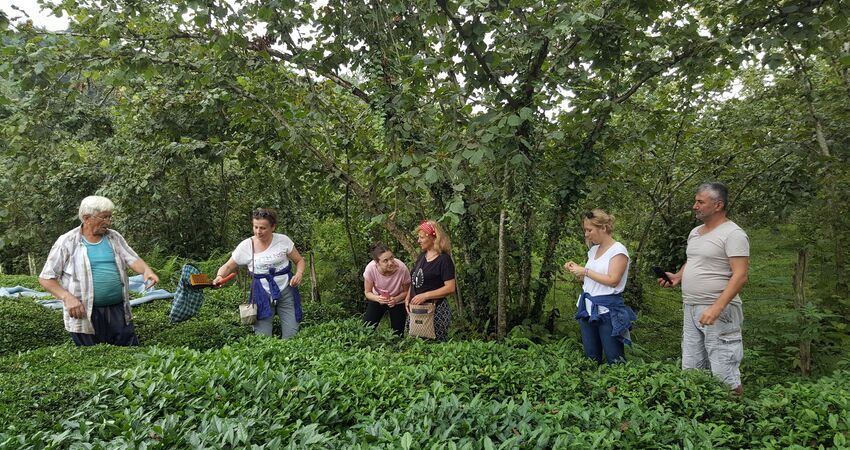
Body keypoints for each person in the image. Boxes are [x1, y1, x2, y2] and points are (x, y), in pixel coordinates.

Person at [658, 182, 749, 394]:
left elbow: (740, 274)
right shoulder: (695, 233)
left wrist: (717, 307)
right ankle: (701, 414)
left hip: (718, 310)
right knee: (692, 364)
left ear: (718, 205)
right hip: (691, 307)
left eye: (700, 202)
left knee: (724, 366)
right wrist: (678, 276)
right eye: (695, 201)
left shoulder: (733, 234)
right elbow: (694, 260)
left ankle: (734, 414)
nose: (694, 206)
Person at [39, 196, 159, 346]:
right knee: (93, 357)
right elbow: (46, 278)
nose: (108, 222)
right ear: (86, 218)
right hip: (84, 313)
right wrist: (67, 297)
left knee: (128, 351)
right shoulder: (67, 242)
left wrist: (146, 271)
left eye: (110, 217)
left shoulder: (114, 237)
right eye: (104, 217)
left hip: (117, 310)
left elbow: (132, 259)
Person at [213, 208, 305, 339]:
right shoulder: (246, 246)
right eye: (255, 227)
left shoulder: (283, 241)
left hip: (286, 289)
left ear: (273, 227)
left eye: (262, 228)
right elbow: (228, 266)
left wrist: (299, 274)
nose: (258, 231)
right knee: (262, 338)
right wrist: (219, 277)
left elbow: (299, 260)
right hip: (261, 293)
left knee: (291, 335)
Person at [565, 209, 636, 364]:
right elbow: (594, 279)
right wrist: (578, 270)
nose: (586, 234)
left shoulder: (618, 251)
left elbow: (613, 280)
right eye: (585, 230)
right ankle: (593, 386)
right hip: (587, 309)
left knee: (614, 358)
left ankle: (618, 387)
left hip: (608, 311)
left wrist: (585, 271)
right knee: (591, 356)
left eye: (589, 230)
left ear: (603, 228)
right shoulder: (594, 250)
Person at [406, 220, 456, 341]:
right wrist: (408, 297)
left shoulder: (444, 260)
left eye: (421, 237)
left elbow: (450, 287)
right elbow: (414, 279)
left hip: (435, 310)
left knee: (436, 345)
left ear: (434, 238)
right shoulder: (422, 256)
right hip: (417, 310)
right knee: (415, 344)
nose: (418, 241)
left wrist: (425, 296)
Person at [362, 243, 411, 336]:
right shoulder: (370, 269)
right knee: (366, 329)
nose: (391, 262)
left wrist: (396, 299)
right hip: (378, 298)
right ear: (377, 263)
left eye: (391, 258)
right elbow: (367, 292)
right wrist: (378, 298)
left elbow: (407, 291)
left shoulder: (402, 269)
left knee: (397, 335)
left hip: (398, 300)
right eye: (385, 261)